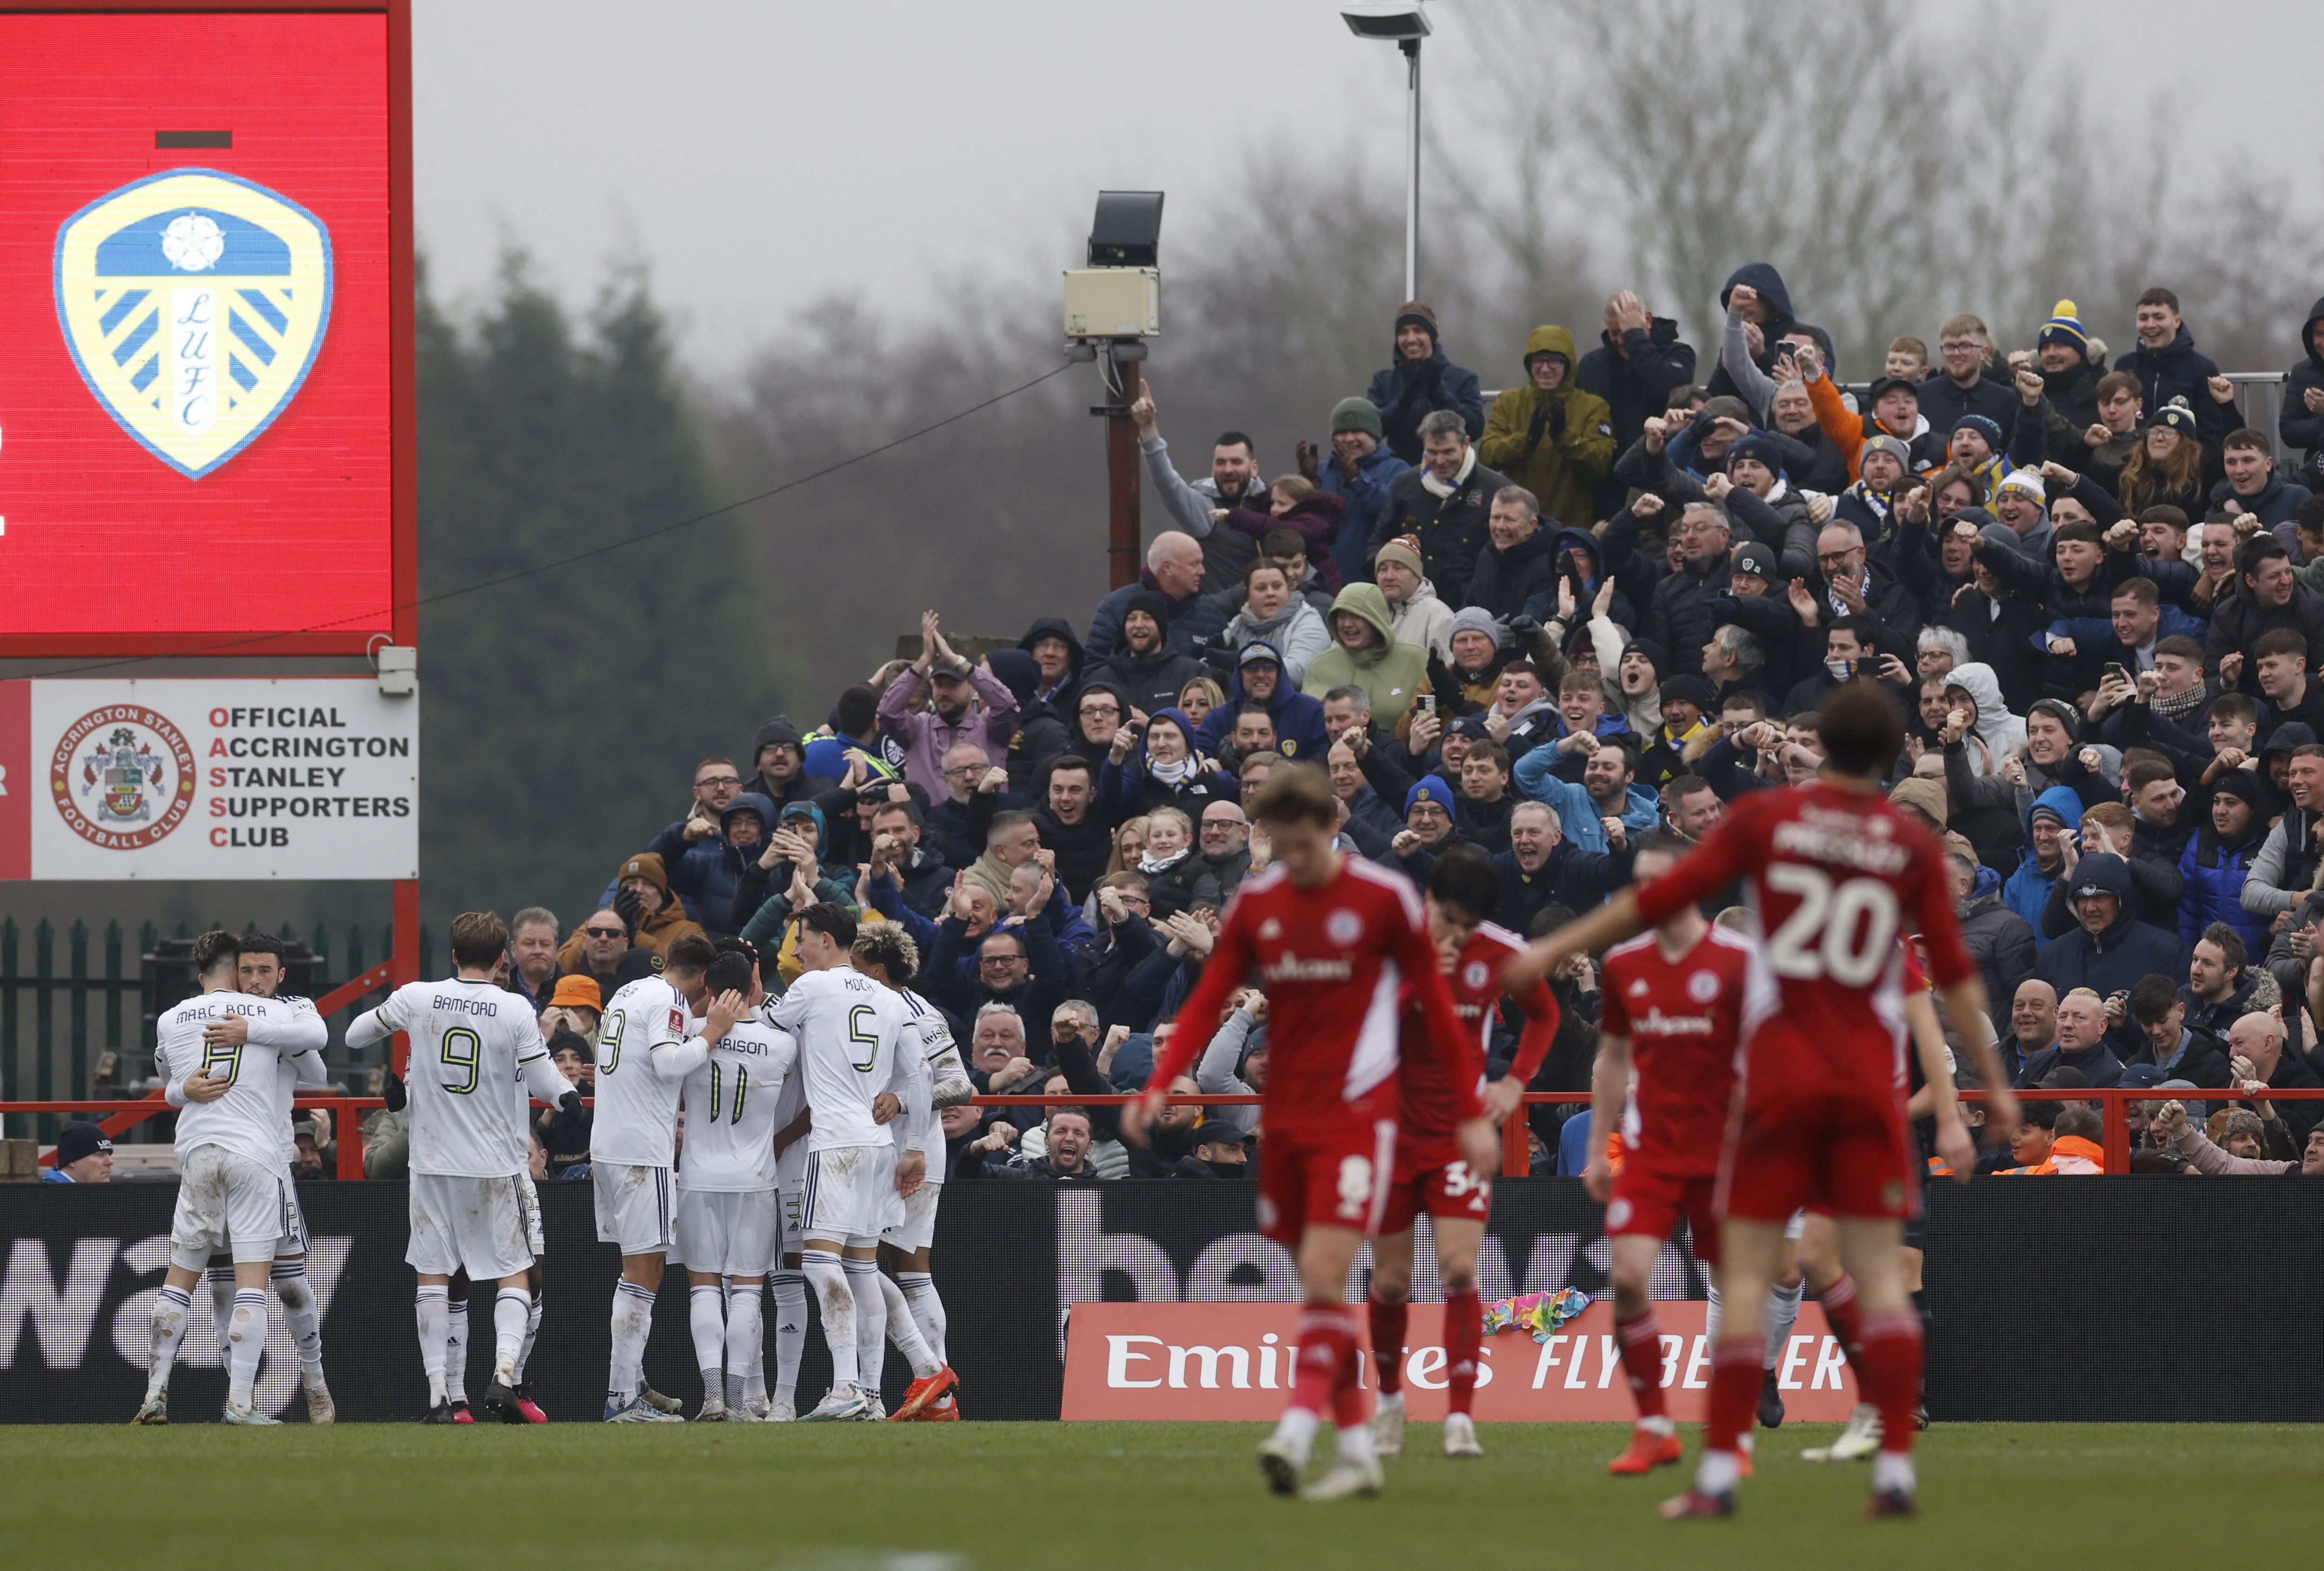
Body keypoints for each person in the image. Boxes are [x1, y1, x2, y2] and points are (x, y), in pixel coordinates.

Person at [1506, 681, 2014, 1520]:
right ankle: (1892, 1471)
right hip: (1865, 1091)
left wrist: (1552, 948)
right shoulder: (1909, 846)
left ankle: (1719, 1475)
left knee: (1743, 1284)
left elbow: (1656, 900)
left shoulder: (1767, 823)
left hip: (1781, 1084)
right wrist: (1987, 1094)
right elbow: (1954, 980)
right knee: (1878, 1282)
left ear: (1822, 750)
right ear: (1888, 756)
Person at [1125, 765, 1497, 1502]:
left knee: (1328, 1278)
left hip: (1359, 1119)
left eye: (1303, 846)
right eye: (1280, 847)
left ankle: (1296, 1431)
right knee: (1317, 1292)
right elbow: (1208, 997)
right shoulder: (1262, 900)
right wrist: (1165, 1073)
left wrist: (1468, 1113)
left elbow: (1440, 1012)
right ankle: (1358, 1448)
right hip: (1283, 1120)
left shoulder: (1385, 898)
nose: (1292, 862)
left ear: (1331, 829)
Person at [346, 913, 584, 1425]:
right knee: (515, 1271)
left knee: (434, 1275)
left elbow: (353, 1035)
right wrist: (568, 1096)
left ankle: (439, 1396)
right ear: (503, 958)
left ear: (452, 954)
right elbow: (544, 1072)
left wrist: (394, 1024)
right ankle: (503, 1371)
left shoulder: (417, 995)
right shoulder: (514, 1006)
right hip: (495, 1163)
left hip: (432, 1163)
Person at [1369, 850, 1561, 1463]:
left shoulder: (1497, 952)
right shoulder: (1390, 947)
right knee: (1393, 1282)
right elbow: (1360, 1032)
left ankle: (1459, 1419)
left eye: (1466, 924)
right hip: (1390, 1131)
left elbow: (1546, 1015)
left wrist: (1514, 1083)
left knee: (1458, 1270)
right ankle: (1392, 1403)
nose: (1456, 935)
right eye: (1447, 919)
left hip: (1459, 1132)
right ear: (1427, 902)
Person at [1584, 834, 1753, 1475]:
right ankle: (1655, 1426)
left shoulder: (1738, 960)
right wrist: (1602, 1145)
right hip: (1652, 1155)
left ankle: (1731, 1438)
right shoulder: (1625, 964)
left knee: (1737, 1293)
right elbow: (1613, 1057)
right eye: (1640, 882)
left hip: (1726, 1158)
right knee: (1627, 1280)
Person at [135, 930, 329, 1427]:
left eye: (266, 971)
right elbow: (319, 1052)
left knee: (185, 1279)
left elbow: (169, 1083)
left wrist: (183, 1087)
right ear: (235, 970)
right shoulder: (281, 1012)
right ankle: (241, 1400)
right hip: (257, 1158)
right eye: (249, 970)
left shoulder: (173, 1016)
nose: (257, 980)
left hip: (200, 1155)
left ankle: (156, 1392)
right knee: (251, 1285)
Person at [764, 906, 923, 1421]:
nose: (794, 951)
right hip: (879, 1144)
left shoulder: (812, 987)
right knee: (861, 1267)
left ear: (826, 939)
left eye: (800, 940)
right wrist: (905, 1121)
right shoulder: (890, 997)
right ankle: (872, 1396)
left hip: (833, 1142)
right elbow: (915, 1073)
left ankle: (845, 1385)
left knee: (817, 1261)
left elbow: (769, 1033)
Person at [582, 932, 744, 1422]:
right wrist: (713, 1030)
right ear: (702, 978)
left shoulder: (631, 991)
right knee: (644, 1271)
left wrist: (705, 1022)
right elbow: (668, 1060)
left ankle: (630, 1381)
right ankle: (620, 1400)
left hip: (608, 1147)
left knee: (637, 1268)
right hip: (641, 1152)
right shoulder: (671, 1000)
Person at [670, 948, 797, 1421]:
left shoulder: (690, 1034)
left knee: (703, 1288)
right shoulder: (782, 1045)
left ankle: (712, 1397)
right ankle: (741, 1398)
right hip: (755, 1178)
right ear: (752, 986)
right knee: (747, 1291)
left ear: (705, 981)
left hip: (699, 1176)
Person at [855, 924, 974, 1421]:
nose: (850, 976)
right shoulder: (918, 1009)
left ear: (877, 969)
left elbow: (960, 1085)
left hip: (909, 1150)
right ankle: (935, 1393)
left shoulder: (915, 1014)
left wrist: (903, 1100)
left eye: (857, 967)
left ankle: (872, 1391)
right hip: (907, 1148)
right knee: (902, 1269)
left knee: (867, 1264)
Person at [1129, 383, 1268, 594]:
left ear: (1254, 468)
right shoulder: (1205, 511)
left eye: (1236, 462)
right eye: (1221, 463)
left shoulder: (1273, 502)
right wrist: (1148, 428)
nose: (1228, 470)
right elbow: (1167, 482)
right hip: (1220, 619)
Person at [1368, 409, 1513, 608]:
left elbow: (1510, 556)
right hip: (1410, 606)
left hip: (1471, 607)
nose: (1440, 461)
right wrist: (1387, 572)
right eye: (1432, 453)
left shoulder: (1497, 491)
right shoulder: (1405, 485)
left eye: (1448, 452)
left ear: (1466, 444)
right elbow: (1380, 539)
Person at [1478, 326, 1616, 532]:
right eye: (1538, 361)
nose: (1545, 369)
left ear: (1568, 364)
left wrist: (1565, 437)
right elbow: (1487, 454)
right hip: (1517, 528)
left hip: (1571, 527)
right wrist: (1527, 440)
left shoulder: (1593, 406)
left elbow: (1601, 463)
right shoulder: (1509, 402)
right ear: (1528, 364)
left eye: (1554, 361)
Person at [877, 611, 1022, 800]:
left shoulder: (990, 726)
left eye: (953, 685)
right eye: (939, 685)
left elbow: (1007, 706)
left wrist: (957, 661)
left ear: (972, 689)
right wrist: (924, 661)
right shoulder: (919, 728)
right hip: (928, 826)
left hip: (984, 823)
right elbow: (887, 712)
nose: (944, 692)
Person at [1579, 290, 1697, 516]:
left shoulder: (1680, 355)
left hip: (1661, 475)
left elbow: (1668, 390)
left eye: (1628, 332)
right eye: (1615, 333)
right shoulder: (1593, 365)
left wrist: (1637, 340)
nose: (1622, 341)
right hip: (1607, 485)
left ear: (1648, 320)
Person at [1364, 300, 1486, 466]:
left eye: (1419, 331)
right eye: (1403, 332)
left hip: (1451, 473)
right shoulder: (1383, 380)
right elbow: (1371, 430)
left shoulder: (1464, 379)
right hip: (1400, 475)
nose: (1411, 339)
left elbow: (1475, 428)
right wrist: (1404, 403)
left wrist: (1439, 392)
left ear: (1432, 336)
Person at [1085, 531, 1229, 664]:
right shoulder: (1116, 606)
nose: (1202, 571)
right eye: (1194, 564)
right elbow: (1095, 669)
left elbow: (1222, 672)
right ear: (1167, 567)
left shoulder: (1211, 612)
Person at [1312, 398, 1411, 588]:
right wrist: (1306, 485)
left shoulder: (1397, 469)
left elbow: (1389, 510)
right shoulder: (1320, 471)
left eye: (1357, 432)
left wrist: (1357, 480)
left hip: (1372, 582)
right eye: (1342, 433)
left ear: (1374, 435)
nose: (1349, 439)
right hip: (1322, 584)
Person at [1301, 582, 1431, 723]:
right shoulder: (1319, 666)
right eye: (1341, 616)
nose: (1347, 624)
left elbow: (1429, 719)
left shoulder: (1417, 659)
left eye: (1356, 616)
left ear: (1376, 619)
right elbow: (1306, 722)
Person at [1083, 591, 1203, 719]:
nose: (1138, 625)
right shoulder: (1100, 680)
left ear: (1161, 626)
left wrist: (1150, 728)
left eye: (1147, 618)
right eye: (1132, 618)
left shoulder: (1192, 673)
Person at [508, 907, 561, 1013]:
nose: (538, 951)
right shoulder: (500, 991)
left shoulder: (574, 990)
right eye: (529, 943)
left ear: (556, 949)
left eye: (545, 944)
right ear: (514, 950)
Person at [41, 1120, 112, 1182]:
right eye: (100, 1154)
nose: (111, 1162)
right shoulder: (51, 1195)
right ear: (72, 1161)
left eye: (109, 1155)